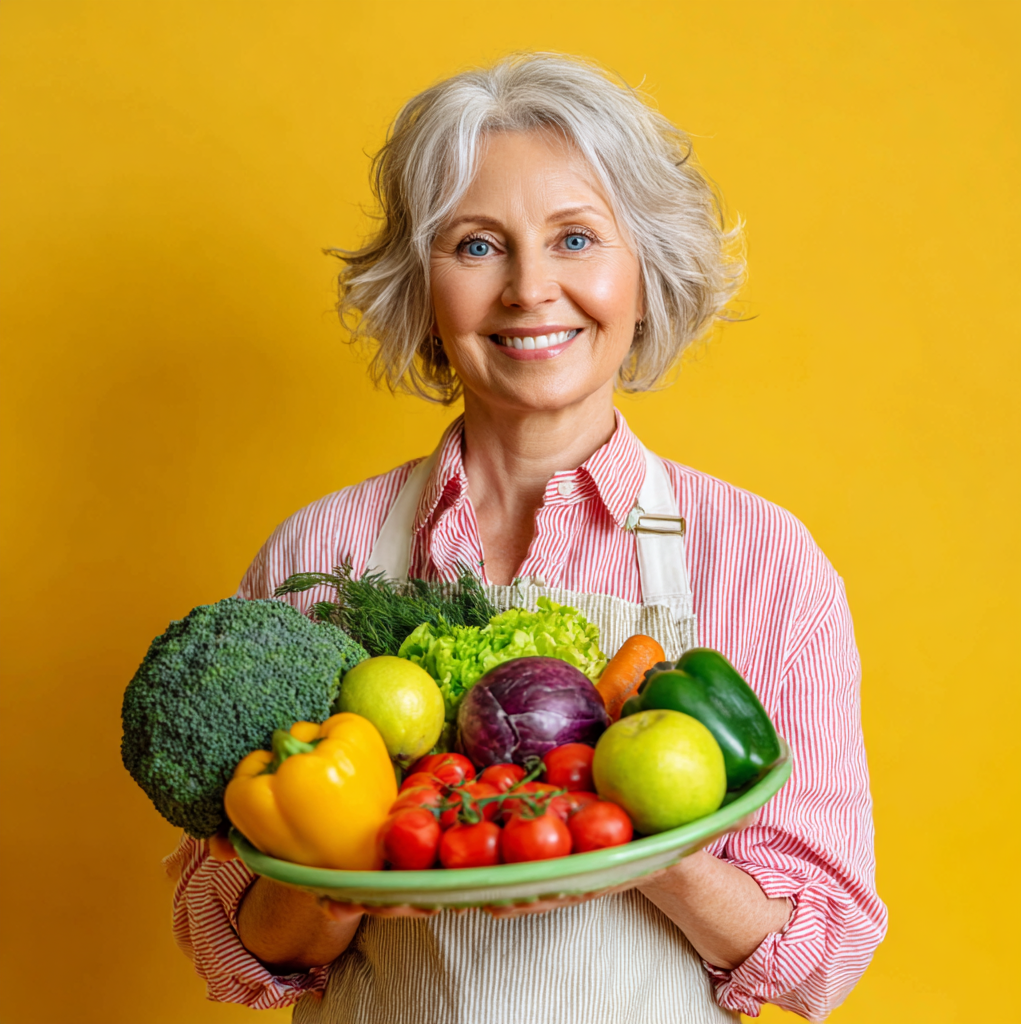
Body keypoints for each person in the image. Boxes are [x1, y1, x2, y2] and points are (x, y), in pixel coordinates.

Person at [167, 53, 886, 1023]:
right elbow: (234, 942)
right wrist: (341, 875)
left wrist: (644, 852)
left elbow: (816, 957)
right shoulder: (317, 553)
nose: (529, 288)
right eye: (476, 246)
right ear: (421, 288)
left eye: (577, 238)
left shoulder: (761, 561)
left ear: (645, 272)